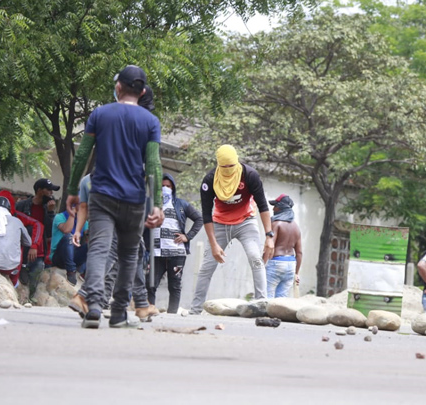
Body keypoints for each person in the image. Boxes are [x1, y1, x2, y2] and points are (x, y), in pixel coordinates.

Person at [65, 65, 164, 329]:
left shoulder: (100, 114)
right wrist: (157, 203)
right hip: (134, 198)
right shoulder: (150, 122)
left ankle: (94, 305)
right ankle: (119, 313)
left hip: (102, 194)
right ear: (142, 91)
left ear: (118, 87)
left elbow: (83, 154)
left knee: (99, 248)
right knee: (129, 253)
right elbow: (153, 165)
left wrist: (73, 189)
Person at [189, 145, 274, 315]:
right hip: (220, 224)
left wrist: (269, 236)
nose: (228, 170)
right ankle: (195, 310)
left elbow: (263, 206)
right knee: (207, 266)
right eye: (224, 167)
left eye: (231, 166)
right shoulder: (209, 180)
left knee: (256, 258)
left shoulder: (250, 175)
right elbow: (206, 215)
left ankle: (261, 305)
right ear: (218, 164)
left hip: (246, 222)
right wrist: (213, 245)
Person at [147, 174, 203, 313]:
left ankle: (171, 314)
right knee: (150, 283)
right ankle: (149, 310)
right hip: (156, 253)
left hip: (177, 253)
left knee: (175, 284)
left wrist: (188, 236)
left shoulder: (181, 204)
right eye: (163, 186)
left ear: (173, 188)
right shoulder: (151, 204)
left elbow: (199, 219)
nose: (165, 188)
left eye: (168, 186)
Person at [0, 190, 44, 288]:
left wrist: (35, 245)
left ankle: (23, 267)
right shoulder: (17, 221)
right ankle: (15, 279)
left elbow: (37, 224)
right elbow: (27, 242)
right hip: (11, 265)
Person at [16, 178, 59, 295]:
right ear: (39, 190)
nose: (51, 193)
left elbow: (49, 232)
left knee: (34, 285)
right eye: (49, 190)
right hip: (22, 250)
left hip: (39, 252)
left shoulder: (48, 208)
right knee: (20, 284)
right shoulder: (22, 205)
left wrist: (50, 213)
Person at [265, 194, 302, 298]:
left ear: (281, 208)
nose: (273, 208)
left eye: (275, 205)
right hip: (291, 265)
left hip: (276, 263)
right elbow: (299, 253)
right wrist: (296, 273)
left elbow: (270, 246)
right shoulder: (296, 227)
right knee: (281, 301)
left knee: (267, 296)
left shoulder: (276, 224)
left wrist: (261, 264)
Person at [50, 209, 88, 286]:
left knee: (94, 244)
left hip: (74, 257)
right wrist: (72, 213)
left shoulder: (83, 221)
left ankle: (87, 273)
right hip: (59, 257)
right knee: (69, 237)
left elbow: (90, 234)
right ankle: (71, 271)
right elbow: (67, 230)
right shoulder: (59, 217)